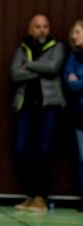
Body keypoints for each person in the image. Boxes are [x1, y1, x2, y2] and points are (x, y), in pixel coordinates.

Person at [10, 14, 65, 212]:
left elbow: (53, 68)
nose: (42, 30)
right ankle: (30, 195)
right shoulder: (21, 49)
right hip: (25, 106)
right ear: (30, 29)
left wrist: (29, 66)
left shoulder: (57, 47)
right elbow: (15, 73)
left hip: (50, 106)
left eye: (45, 26)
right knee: (21, 150)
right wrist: (39, 69)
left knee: (44, 150)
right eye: (37, 26)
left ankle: (42, 197)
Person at [64, 20, 83, 212]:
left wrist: (79, 82)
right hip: (80, 115)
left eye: (77, 32)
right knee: (82, 158)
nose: (73, 36)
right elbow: (69, 84)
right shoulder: (72, 58)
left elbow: (76, 83)